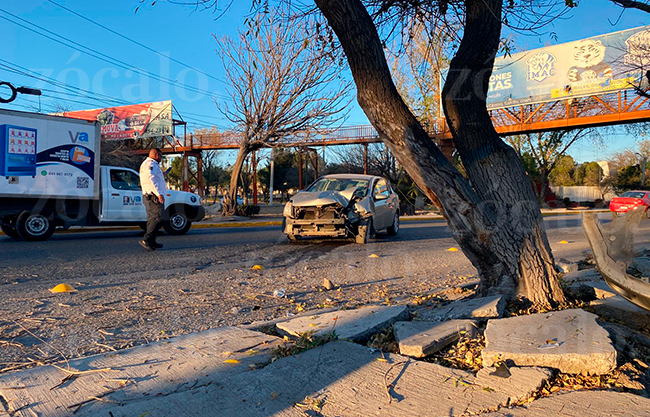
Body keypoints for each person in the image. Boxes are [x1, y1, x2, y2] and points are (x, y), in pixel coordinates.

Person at [139, 148, 166, 251]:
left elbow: (153, 177)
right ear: (157, 155)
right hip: (153, 196)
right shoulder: (151, 164)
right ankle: (147, 239)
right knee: (158, 218)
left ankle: (151, 241)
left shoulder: (148, 164)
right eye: (161, 156)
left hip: (150, 196)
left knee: (152, 219)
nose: (161, 159)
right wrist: (158, 194)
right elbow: (151, 179)